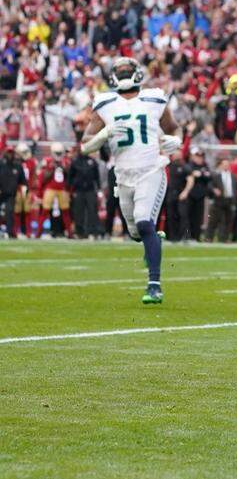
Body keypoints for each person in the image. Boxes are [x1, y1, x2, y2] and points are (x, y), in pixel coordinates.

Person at [80, 57, 183, 303]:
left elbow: (174, 128)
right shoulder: (105, 103)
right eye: (121, 70)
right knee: (137, 233)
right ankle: (153, 241)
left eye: (128, 70)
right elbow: (85, 145)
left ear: (137, 73)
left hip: (151, 169)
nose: (124, 73)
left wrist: (177, 140)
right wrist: (104, 134)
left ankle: (154, 286)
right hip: (123, 175)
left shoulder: (154, 99)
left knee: (145, 222)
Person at [179, 147, 213, 242]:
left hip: (201, 196)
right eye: (197, 156)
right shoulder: (189, 165)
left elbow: (210, 176)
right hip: (190, 195)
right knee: (187, 216)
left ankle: (196, 237)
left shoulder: (205, 166)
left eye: (201, 157)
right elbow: (189, 172)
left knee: (198, 218)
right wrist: (201, 174)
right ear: (193, 156)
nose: (199, 158)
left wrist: (200, 174)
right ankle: (187, 236)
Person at [66, 148, 101, 239]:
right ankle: (80, 232)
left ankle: (93, 231)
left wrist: (99, 188)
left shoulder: (92, 162)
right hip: (78, 190)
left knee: (92, 211)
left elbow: (96, 176)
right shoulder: (75, 162)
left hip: (90, 189)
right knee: (78, 212)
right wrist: (69, 189)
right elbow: (70, 177)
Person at [207, 158, 237, 243]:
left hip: (230, 200)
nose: (226, 166)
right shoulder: (216, 176)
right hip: (219, 200)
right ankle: (209, 237)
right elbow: (210, 185)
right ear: (221, 165)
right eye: (224, 164)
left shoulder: (234, 176)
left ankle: (224, 238)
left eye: (227, 164)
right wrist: (214, 190)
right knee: (214, 220)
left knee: (228, 220)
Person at [0, 146, 26, 238]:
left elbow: (23, 181)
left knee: (10, 212)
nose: (10, 155)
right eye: (8, 152)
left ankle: (10, 232)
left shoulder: (18, 166)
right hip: (1, 191)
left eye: (11, 153)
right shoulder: (1, 164)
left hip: (11, 193)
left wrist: (23, 190)